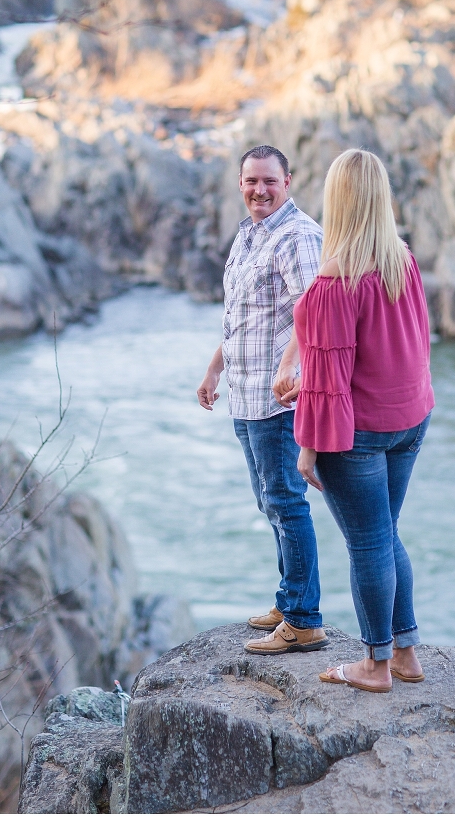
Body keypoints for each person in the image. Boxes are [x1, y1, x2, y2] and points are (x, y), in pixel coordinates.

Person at [275, 148, 434, 692]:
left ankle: (375, 664)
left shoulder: (331, 287)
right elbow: (397, 348)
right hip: (410, 419)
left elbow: (330, 379)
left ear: (337, 201)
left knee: (368, 543)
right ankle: (407, 653)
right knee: (385, 534)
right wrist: (311, 379)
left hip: (359, 433)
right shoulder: (403, 261)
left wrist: (307, 447)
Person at [197, 144, 329, 655]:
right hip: (244, 393)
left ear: (288, 181)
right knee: (269, 502)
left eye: (269, 181)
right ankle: (289, 599)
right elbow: (242, 319)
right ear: (240, 183)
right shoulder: (250, 234)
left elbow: (311, 312)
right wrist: (214, 369)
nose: (259, 190)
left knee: (286, 503)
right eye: (251, 181)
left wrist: (290, 365)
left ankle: (303, 618)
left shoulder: (297, 237)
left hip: (279, 399)